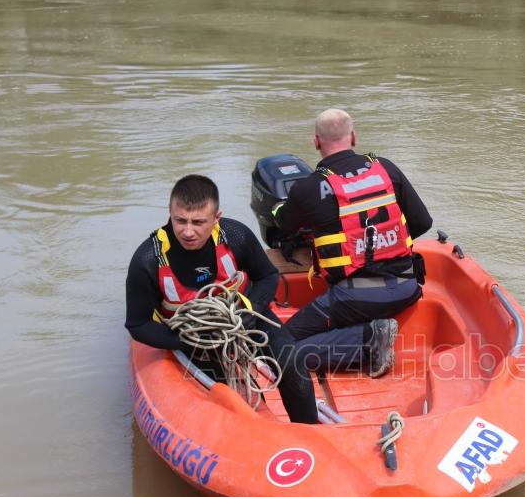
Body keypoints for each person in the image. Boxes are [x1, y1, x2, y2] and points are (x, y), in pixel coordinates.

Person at [125, 175, 318, 424]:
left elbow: (268, 276)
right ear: (170, 213)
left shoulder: (235, 236)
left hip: (241, 319)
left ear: (216, 218)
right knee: (228, 399)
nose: (188, 231)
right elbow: (137, 325)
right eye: (180, 220)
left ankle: (310, 431)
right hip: (191, 336)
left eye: (198, 222)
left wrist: (250, 313)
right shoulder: (148, 261)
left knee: (292, 363)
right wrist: (186, 341)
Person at [272, 108, 433, 377]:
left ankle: (368, 340)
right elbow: (422, 222)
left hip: (353, 298)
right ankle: (368, 336)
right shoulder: (386, 169)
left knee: (280, 348)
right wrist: (384, 245)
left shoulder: (308, 189)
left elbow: (284, 225)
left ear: (316, 141)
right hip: (407, 287)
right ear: (354, 136)